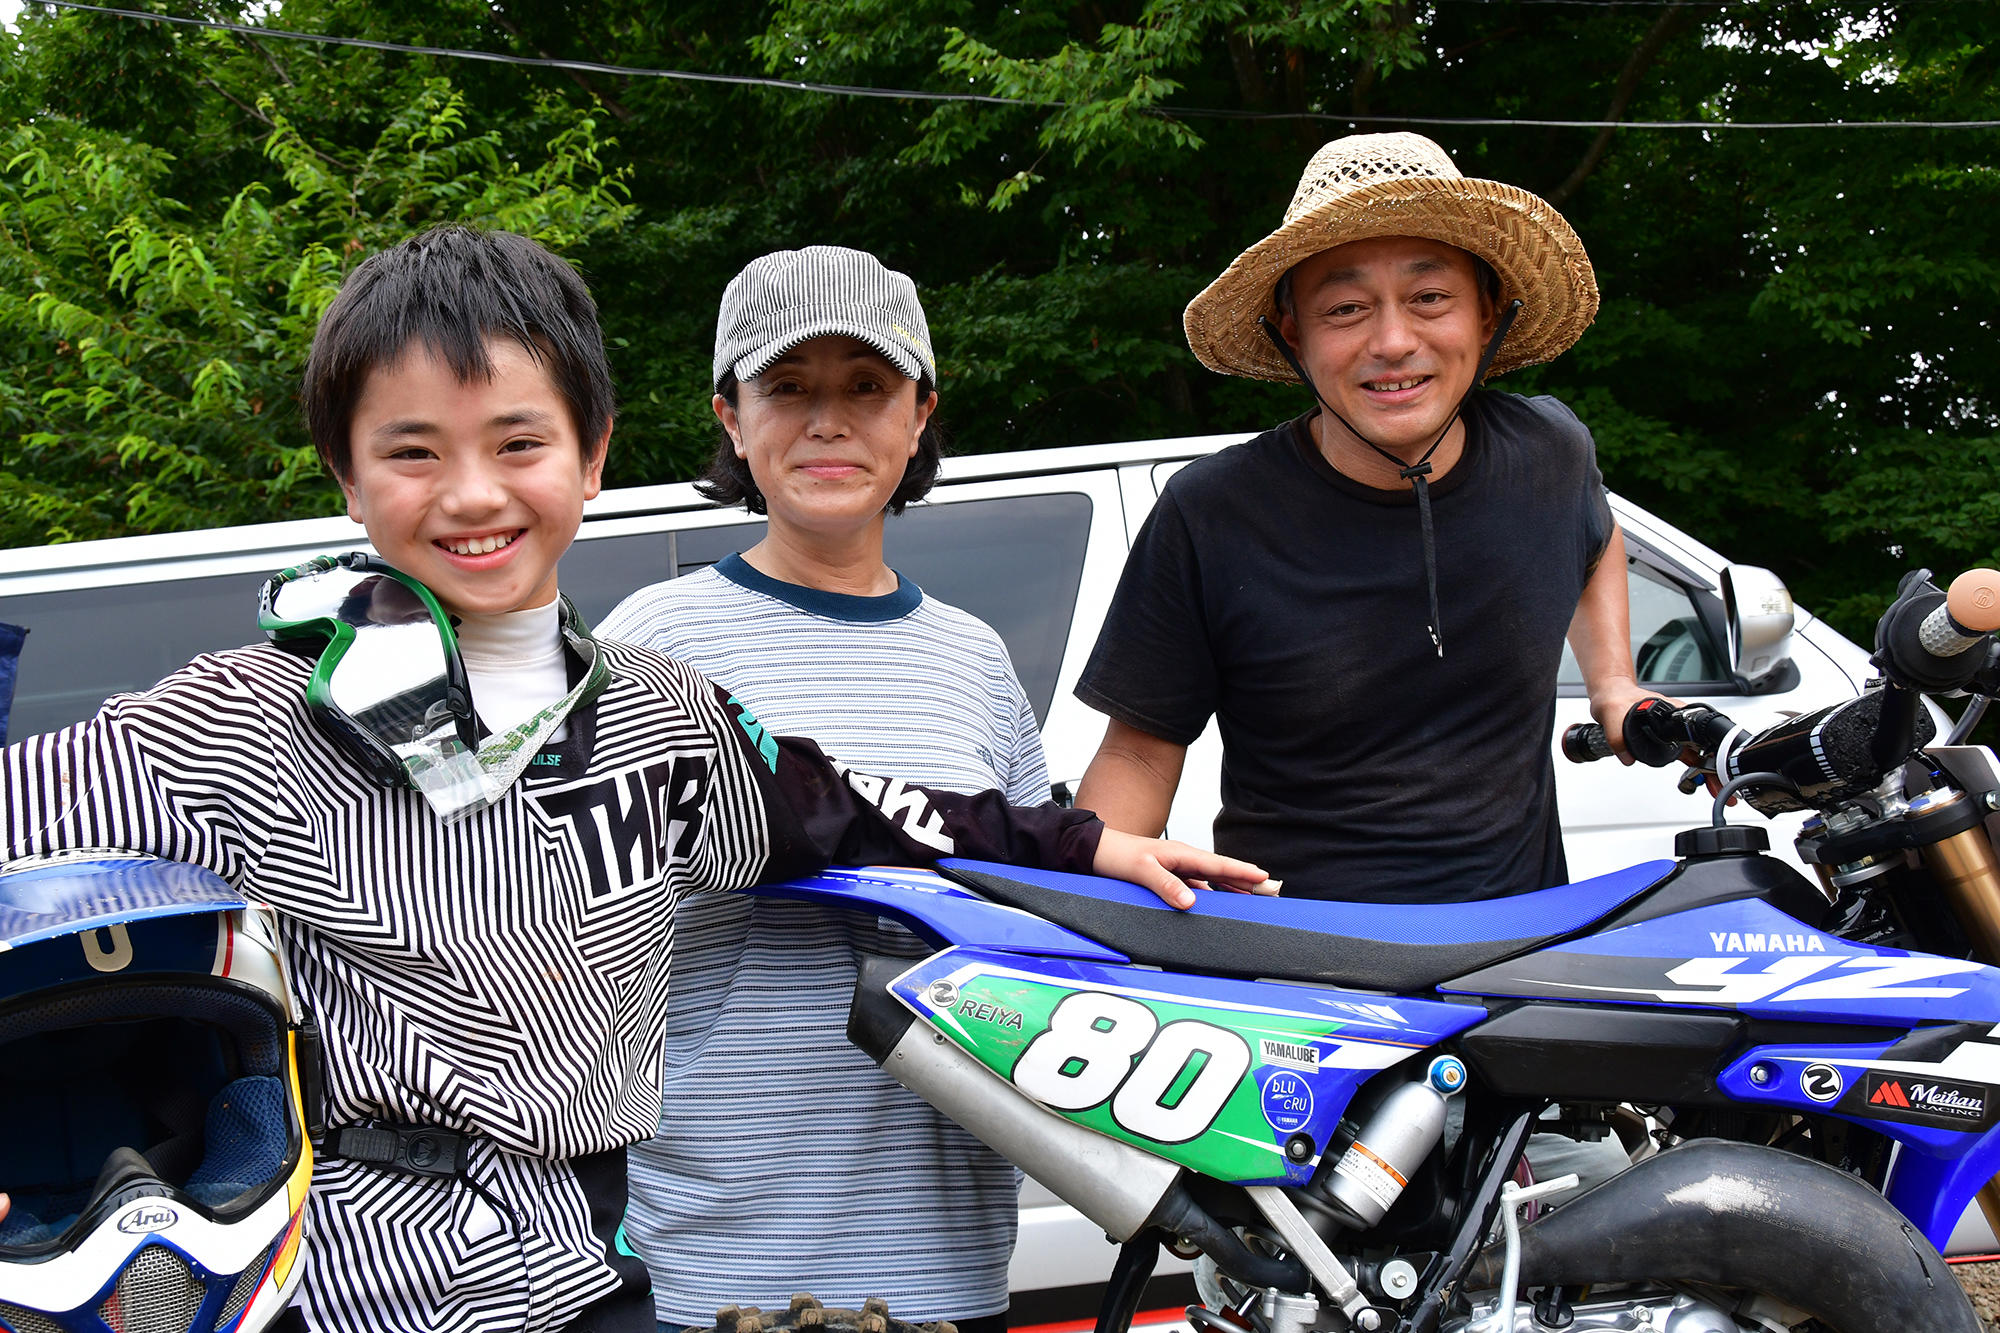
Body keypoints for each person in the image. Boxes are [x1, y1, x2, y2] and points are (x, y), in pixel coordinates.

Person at [0, 226, 1265, 1333]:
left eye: (517, 440)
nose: (475, 492)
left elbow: (857, 814)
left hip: (599, 1270)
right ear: (344, 473)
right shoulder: (236, 720)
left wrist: (1087, 844)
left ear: (592, 454)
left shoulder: (661, 714)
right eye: (413, 452)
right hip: (353, 1278)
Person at [599, 246, 1047, 1333]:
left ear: (919, 415)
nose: (827, 421)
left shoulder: (974, 658)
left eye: (866, 388)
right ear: (731, 418)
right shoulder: (649, 646)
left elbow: (1038, 915)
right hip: (714, 1251)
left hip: (944, 1245)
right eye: (787, 388)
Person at [1074, 131, 1653, 905]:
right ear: (1294, 337)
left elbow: (1597, 536)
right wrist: (1084, 895)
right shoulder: (1211, 514)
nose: (1392, 341)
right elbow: (1141, 758)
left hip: (1523, 953)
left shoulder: (1550, 453)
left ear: (1488, 314)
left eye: (1430, 298)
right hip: (1299, 969)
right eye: (1345, 308)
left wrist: (1615, 683)